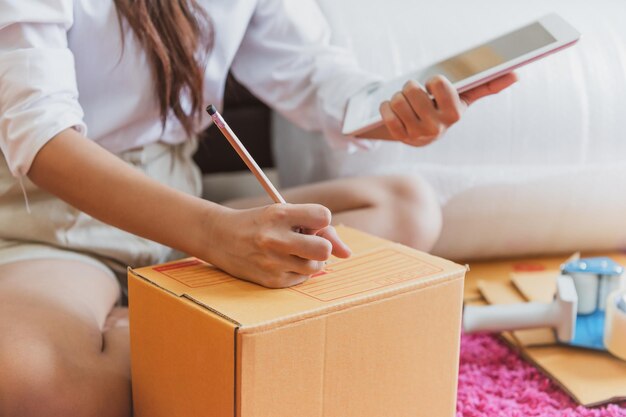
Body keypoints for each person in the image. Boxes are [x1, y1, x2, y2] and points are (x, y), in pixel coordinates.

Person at [0, 1, 516, 416]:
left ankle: (154, 324)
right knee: (40, 390)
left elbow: (308, 70)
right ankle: (202, 327)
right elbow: (40, 135)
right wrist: (214, 235)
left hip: (184, 195)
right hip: (56, 218)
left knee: (405, 206)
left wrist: (392, 110)